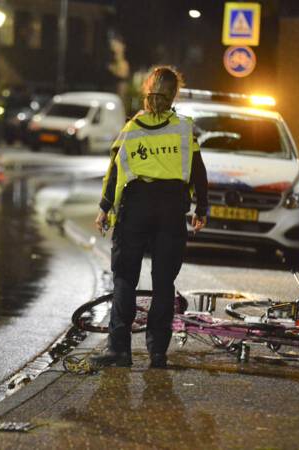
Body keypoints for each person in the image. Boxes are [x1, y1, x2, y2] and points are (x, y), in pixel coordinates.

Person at [89, 66, 208, 369]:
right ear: (173, 95)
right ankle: (157, 353)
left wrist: (105, 208)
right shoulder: (184, 128)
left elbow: (115, 174)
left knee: (125, 278)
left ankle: (120, 351)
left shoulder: (132, 129)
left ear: (146, 92)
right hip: (171, 209)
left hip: (136, 208)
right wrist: (201, 208)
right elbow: (198, 171)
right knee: (164, 282)